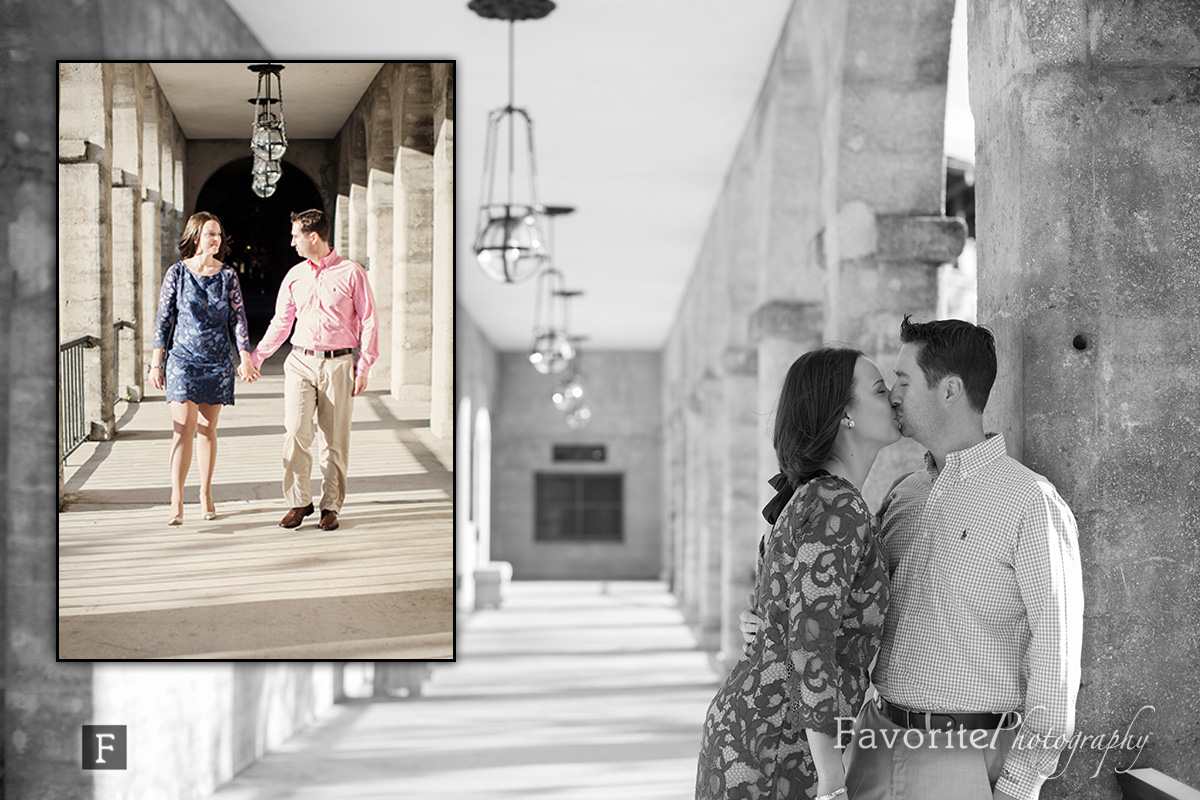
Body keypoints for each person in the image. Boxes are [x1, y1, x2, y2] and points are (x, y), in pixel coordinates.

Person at [741, 317, 1084, 800]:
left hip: (964, 756)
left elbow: (1057, 660)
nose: (894, 394)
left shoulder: (1031, 503)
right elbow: (832, 600)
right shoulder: (904, 495)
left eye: (902, 381)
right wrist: (766, 621)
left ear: (949, 390)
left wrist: (1019, 786)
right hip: (871, 743)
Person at [696, 346, 901, 800]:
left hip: (761, 729)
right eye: (881, 390)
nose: (895, 400)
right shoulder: (837, 505)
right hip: (779, 747)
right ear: (845, 413)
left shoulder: (813, 496)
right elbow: (811, 646)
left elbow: (781, 614)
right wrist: (831, 783)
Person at [241, 208, 378, 532]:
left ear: (312, 236)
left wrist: (364, 366)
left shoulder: (351, 272)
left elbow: (369, 319)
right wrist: (257, 357)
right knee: (295, 432)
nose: (292, 243)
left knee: (334, 440)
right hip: (300, 361)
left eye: (295, 236)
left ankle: (330, 506)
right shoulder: (295, 275)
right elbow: (282, 322)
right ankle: (299, 501)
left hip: (339, 364)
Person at [150, 211, 253, 525]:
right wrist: (156, 363)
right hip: (182, 360)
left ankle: (205, 493)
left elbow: (238, 318)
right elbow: (163, 320)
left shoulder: (228, 276)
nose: (216, 239)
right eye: (210, 233)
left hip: (217, 362)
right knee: (183, 427)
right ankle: (176, 498)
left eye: (219, 234)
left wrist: (245, 356)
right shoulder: (177, 274)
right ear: (196, 236)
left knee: (208, 429)